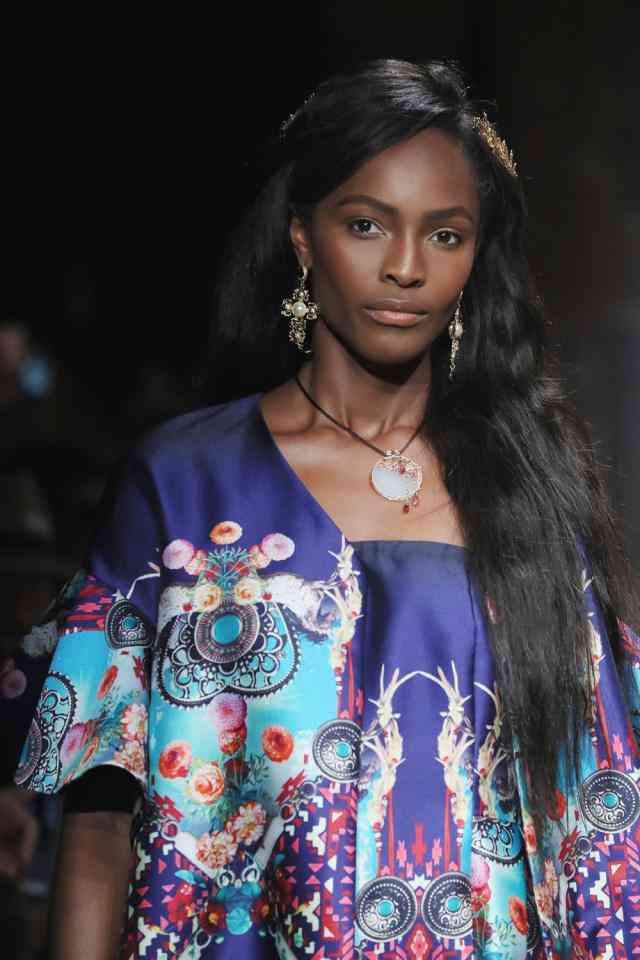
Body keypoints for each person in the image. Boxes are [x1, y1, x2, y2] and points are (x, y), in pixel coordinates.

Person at [14, 59, 640, 959]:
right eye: (366, 225)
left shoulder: (533, 492)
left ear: (475, 260)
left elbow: (603, 832)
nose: (405, 268)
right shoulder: (186, 485)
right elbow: (100, 824)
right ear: (304, 238)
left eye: (445, 235)